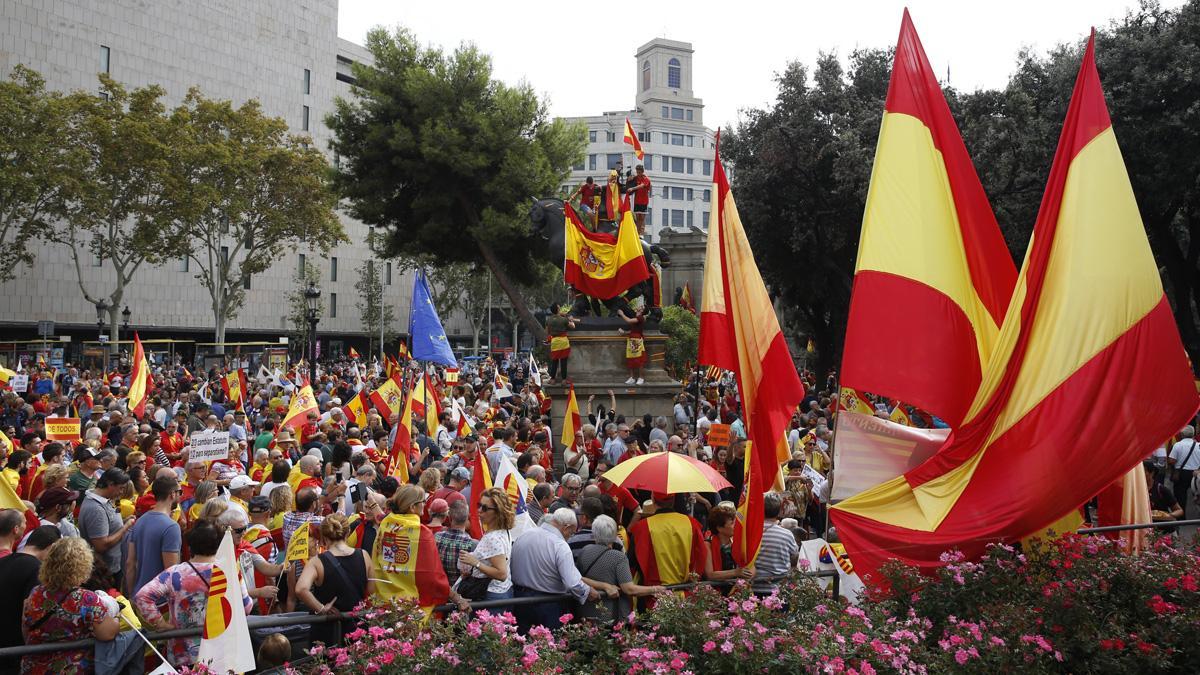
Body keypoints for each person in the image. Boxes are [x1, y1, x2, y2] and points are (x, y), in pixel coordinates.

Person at [134, 522, 253, 669]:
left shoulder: (174, 573)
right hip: (222, 652)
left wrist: (161, 623)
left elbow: (142, 597)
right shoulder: (230, 572)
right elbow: (247, 607)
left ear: (190, 545)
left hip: (183, 655)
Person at [22, 537, 120, 675]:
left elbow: (26, 629)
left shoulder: (36, 593)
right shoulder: (87, 599)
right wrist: (116, 616)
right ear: (83, 567)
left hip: (34, 666)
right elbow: (107, 634)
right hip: (70, 669)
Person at [371, 485, 469, 611]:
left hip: (383, 601)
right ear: (412, 507)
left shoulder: (386, 524)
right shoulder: (422, 533)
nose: (425, 504)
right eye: (422, 501)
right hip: (412, 607)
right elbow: (433, 576)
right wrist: (457, 598)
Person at [509, 508, 608, 633]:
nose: (569, 537)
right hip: (547, 605)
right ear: (566, 527)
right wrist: (588, 591)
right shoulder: (560, 545)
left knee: (522, 644)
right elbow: (572, 582)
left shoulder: (524, 535)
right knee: (550, 647)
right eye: (571, 533)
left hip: (519, 599)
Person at [295, 513, 374, 646]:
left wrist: (321, 609)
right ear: (348, 532)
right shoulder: (364, 555)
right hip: (356, 628)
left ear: (323, 537)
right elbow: (371, 591)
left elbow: (301, 589)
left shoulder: (316, 562)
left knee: (326, 665)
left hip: (326, 630)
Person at [574, 515, 663, 623]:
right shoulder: (618, 557)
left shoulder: (585, 551)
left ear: (594, 533)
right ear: (614, 534)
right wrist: (654, 589)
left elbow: (578, 578)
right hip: (611, 614)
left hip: (587, 613)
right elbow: (629, 589)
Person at [0, 525, 61, 672]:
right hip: (14, 651)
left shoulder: (5, 560)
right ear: (51, 547)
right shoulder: (38, 570)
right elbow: (27, 614)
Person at [627, 492, 706, 593]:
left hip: (654, 596)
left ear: (653, 500)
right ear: (673, 501)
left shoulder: (642, 528)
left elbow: (632, 563)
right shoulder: (692, 524)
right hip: (685, 593)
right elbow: (701, 556)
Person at [125, 474, 183, 596]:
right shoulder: (171, 527)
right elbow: (171, 572)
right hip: (159, 601)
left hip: (139, 596)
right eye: (180, 492)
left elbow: (130, 563)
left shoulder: (140, 521)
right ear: (172, 494)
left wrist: (132, 596)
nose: (180, 496)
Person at [78, 467, 134, 587]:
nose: (122, 492)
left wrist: (123, 522)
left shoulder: (103, 500)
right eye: (121, 488)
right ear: (110, 484)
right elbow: (101, 545)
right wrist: (125, 527)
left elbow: (108, 525)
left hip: (112, 566)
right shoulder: (96, 509)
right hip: (106, 571)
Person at [458, 487, 515, 603]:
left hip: (491, 595)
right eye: (479, 505)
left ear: (498, 512)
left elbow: (501, 574)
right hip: (500, 592)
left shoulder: (493, 538)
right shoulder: (501, 530)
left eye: (484, 508)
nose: (479, 510)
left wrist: (475, 562)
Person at [754, 492, 800, 591]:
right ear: (779, 510)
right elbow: (795, 556)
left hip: (754, 590)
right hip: (779, 589)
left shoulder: (751, 533)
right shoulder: (786, 534)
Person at [434, 500, 477, 585]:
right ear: (467, 519)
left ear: (449, 518)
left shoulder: (436, 537)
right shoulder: (474, 544)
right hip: (461, 590)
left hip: (439, 586)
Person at [1167, 425, 1200, 510]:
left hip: (1181, 474)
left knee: (1180, 497)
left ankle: (1181, 518)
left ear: (1182, 434)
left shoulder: (1178, 445)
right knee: (1198, 495)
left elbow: (1171, 461)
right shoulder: (1198, 445)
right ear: (1193, 434)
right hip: (1196, 474)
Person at [544, 304, 576, 384]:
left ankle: (553, 379)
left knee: (555, 361)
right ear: (558, 309)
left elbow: (547, 332)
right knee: (563, 361)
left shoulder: (548, 320)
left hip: (554, 342)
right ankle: (564, 379)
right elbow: (572, 326)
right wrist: (571, 320)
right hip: (563, 342)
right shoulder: (563, 320)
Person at [616, 308, 647, 385]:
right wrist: (624, 333)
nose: (639, 306)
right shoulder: (636, 317)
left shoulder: (641, 317)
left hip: (637, 340)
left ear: (642, 311)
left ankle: (641, 378)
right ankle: (632, 377)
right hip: (631, 339)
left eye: (642, 306)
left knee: (639, 359)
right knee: (630, 358)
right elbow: (633, 330)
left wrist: (622, 314)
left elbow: (629, 321)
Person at [625, 164, 652, 232]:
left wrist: (632, 188)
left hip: (644, 201)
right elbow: (629, 182)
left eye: (639, 172)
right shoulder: (636, 178)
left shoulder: (646, 179)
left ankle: (641, 233)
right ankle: (637, 232)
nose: (638, 173)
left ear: (642, 171)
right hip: (637, 201)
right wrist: (628, 179)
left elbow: (642, 185)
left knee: (642, 218)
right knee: (637, 217)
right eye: (637, 172)